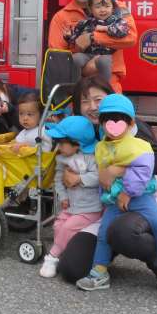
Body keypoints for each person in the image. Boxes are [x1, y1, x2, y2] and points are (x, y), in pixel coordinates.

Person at [55, 76, 157, 284]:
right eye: (85, 101)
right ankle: (101, 265)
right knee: (72, 269)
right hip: (98, 207)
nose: (92, 107)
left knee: (123, 232)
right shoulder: (80, 131)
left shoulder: (130, 126)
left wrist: (115, 169)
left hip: (135, 200)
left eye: (98, 99)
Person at [47, 0, 137, 92]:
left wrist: (93, 37)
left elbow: (131, 38)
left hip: (110, 82)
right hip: (77, 85)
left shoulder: (118, 7)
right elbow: (58, 57)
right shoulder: (60, 17)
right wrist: (85, 65)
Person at [39, 115, 102, 279]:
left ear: (78, 143)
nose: (58, 147)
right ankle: (64, 253)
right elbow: (58, 179)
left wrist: (79, 179)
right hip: (72, 206)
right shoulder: (62, 159)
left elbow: (98, 177)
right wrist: (63, 197)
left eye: (62, 143)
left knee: (68, 228)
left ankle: (52, 257)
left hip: (90, 208)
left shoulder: (92, 157)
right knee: (58, 225)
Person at [67, 0, 130, 84]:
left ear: (113, 8)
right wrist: (68, 36)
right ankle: (76, 87)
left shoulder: (116, 21)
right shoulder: (85, 23)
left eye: (107, 6)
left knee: (104, 62)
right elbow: (75, 38)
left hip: (105, 55)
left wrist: (106, 28)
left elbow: (123, 30)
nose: (102, 10)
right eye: (98, 7)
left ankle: (105, 87)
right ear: (91, 9)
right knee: (76, 58)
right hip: (88, 54)